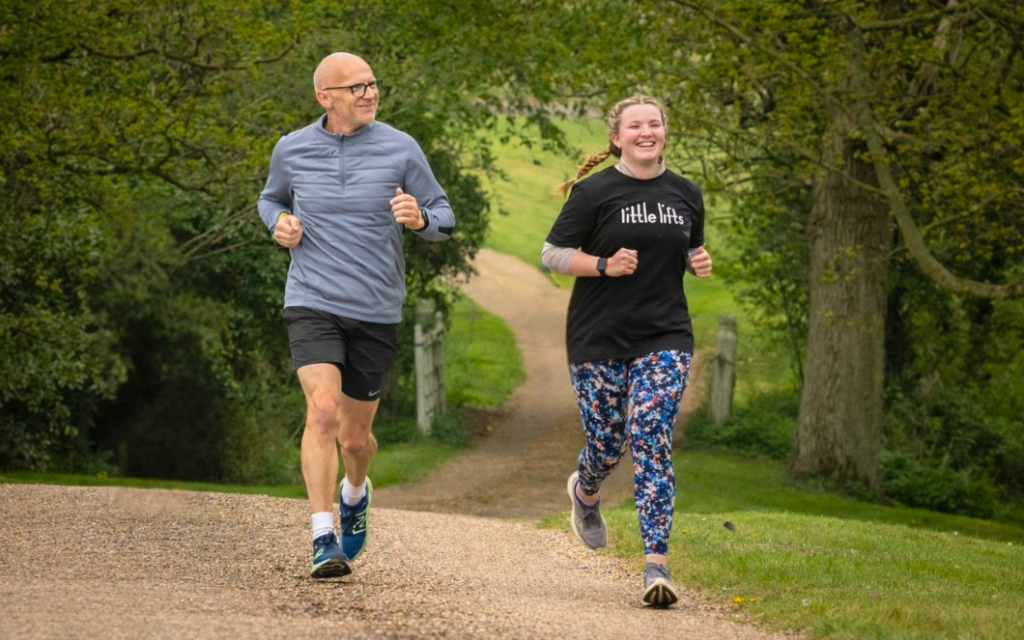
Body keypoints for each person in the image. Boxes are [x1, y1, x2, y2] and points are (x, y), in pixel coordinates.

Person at [257, 52, 455, 579]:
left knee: (354, 439)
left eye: (372, 85)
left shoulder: (400, 147)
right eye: (357, 87)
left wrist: (419, 219)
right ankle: (324, 537)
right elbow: (269, 198)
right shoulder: (292, 149)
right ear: (326, 97)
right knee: (321, 412)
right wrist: (279, 222)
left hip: (375, 308)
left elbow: (444, 217)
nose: (369, 94)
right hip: (311, 299)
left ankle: (354, 491)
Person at [542, 95, 713, 607]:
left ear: (664, 132)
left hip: (664, 336)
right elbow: (551, 253)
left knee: (649, 432)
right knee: (608, 441)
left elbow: (685, 250)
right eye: (635, 125)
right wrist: (602, 266)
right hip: (598, 337)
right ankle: (586, 491)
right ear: (616, 137)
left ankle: (656, 565)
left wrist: (697, 260)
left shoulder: (686, 193)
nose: (646, 132)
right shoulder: (593, 192)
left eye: (654, 124)